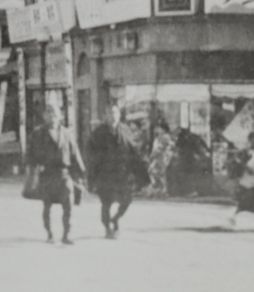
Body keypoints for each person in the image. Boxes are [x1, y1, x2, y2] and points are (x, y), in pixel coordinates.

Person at [28, 102, 86, 245]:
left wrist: (81, 173)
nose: (52, 116)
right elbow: (31, 155)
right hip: (47, 174)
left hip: (63, 174)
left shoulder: (67, 133)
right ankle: (49, 233)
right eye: (48, 112)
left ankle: (66, 235)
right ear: (44, 116)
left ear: (60, 116)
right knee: (47, 206)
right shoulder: (37, 133)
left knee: (69, 205)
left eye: (54, 113)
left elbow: (74, 153)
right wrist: (32, 173)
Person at [86, 103, 146, 239]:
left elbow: (133, 149)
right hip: (105, 175)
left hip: (122, 174)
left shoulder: (125, 129)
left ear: (119, 115)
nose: (113, 116)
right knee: (106, 202)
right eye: (110, 113)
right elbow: (91, 154)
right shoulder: (98, 133)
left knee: (127, 199)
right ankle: (108, 227)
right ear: (105, 116)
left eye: (116, 113)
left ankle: (116, 218)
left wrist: (139, 167)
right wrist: (92, 175)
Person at [145, 119, 175, 197]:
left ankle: (162, 188)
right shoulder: (160, 137)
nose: (157, 130)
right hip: (159, 157)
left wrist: (152, 155)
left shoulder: (165, 137)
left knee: (157, 172)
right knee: (155, 171)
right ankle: (159, 187)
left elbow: (159, 148)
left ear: (163, 129)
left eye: (159, 128)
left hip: (161, 157)